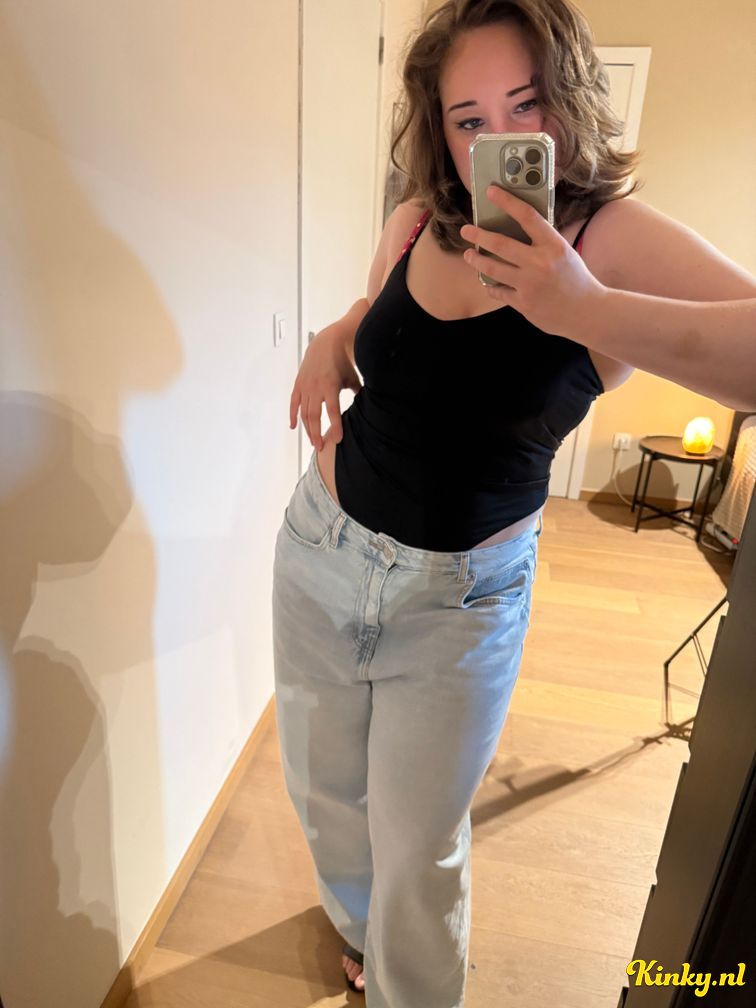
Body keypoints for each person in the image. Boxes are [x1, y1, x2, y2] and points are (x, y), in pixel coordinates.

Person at [272, 1, 756, 1004]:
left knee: (421, 847)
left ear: (568, 100)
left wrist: (585, 308)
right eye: (470, 119)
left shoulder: (609, 237)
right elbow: (387, 327)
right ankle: (360, 934)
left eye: (525, 105)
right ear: (441, 130)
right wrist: (336, 333)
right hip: (321, 548)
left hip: (460, 606)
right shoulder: (418, 219)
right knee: (324, 794)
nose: (499, 139)